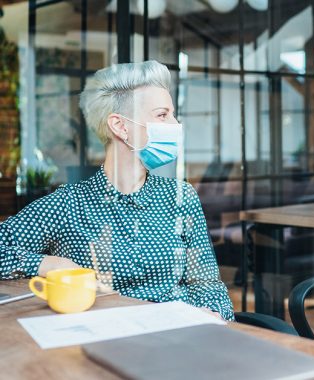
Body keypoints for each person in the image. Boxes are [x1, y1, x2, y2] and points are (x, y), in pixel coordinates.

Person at [0, 60, 234, 320]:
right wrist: (48, 264)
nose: (175, 124)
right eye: (162, 115)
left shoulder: (180, 197)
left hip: (179, 338)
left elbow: (207, 284)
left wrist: (214, 315)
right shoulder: (69, 204)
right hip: (103, 339)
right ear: (120, 126)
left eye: (172, 114)